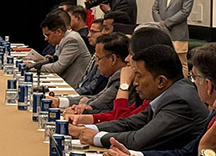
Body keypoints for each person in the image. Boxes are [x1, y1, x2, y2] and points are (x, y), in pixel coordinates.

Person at [102, 43, 216, 156]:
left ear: (208, 85)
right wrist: (133, 155)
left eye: (194, 77)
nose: (193, 83)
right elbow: (185, 154)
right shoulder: (213, 112)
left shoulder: (180, 99)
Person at [69, 44, 208, 150]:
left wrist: (96, 137)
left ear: (161, 81)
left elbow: (139, 140)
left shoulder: (179, 100)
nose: (134, 82)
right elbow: (130, 123)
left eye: (139, 76)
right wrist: (86, 129)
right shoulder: (167, 94)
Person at [66, 27, 172, 125]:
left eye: (131, 54)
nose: (127, 59)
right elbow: (125, 115)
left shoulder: (165, 98)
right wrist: (87, 118)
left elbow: (122, 121)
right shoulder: (148, 93)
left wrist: (124, 85)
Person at [50, 33, 128, 111]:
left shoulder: (121, 78)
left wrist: (86, 103)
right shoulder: (116, 75)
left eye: (99, 59)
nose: (96, 63)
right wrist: (59, 101)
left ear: (113, 59)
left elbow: (99, 104)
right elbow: (98, 97)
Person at [152, 0, 195, 76]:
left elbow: (185, 12)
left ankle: (183, 84)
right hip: (162, 33)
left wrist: (166, 23)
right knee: (164, 62)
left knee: (181, 63)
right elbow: (155, 9)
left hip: (177, 33)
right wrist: (159, 23)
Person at [37, 13, 91, 87]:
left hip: (75, 86)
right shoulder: (63, 39)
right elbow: (56, 59)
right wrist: (46, 60)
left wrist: (36, 66)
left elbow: (58, 67)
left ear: (58, 32)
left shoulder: (71, 39)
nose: (45, 39)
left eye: (48, 35)